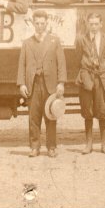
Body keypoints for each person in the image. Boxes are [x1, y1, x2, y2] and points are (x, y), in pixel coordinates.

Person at [17, 10, 67, 157]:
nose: (39, 26)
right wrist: (22, 84)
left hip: (50, 84)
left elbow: (61, 63)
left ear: (46, 24)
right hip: (33, 84)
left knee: (51, 114)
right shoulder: (27, 43)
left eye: (42, 23)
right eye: (37, 23)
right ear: (33, 24)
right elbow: (22, 65)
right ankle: (34, 147)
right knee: (34, 116)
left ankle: (51, 147)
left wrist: (61, 83)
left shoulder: (54, 41)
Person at [74, 13, 105, 155]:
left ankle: (104, 144)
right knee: (87, 110)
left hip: (102, 78)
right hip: (86, 78)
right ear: (87, 24)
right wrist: (85, 73)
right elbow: (77, 59)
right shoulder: (81, 40)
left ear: (101, 24)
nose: (94, 27)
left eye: (96, 24)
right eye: (91, 24)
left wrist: (103, 71)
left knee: (102, 110)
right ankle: (89, 144)